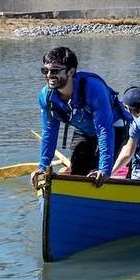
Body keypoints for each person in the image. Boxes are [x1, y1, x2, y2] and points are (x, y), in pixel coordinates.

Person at [30, 46, 130, 190]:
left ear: (71, 71)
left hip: (113, 127)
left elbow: (104, 130)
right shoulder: (46, 96)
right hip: (84, 129)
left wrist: (105, 169)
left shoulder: (93, 88)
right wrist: (43, 166)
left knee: (97, 176)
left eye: (55, 71)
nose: (49, 75)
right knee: (77, 173)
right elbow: (49, 132)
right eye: (45, 71)